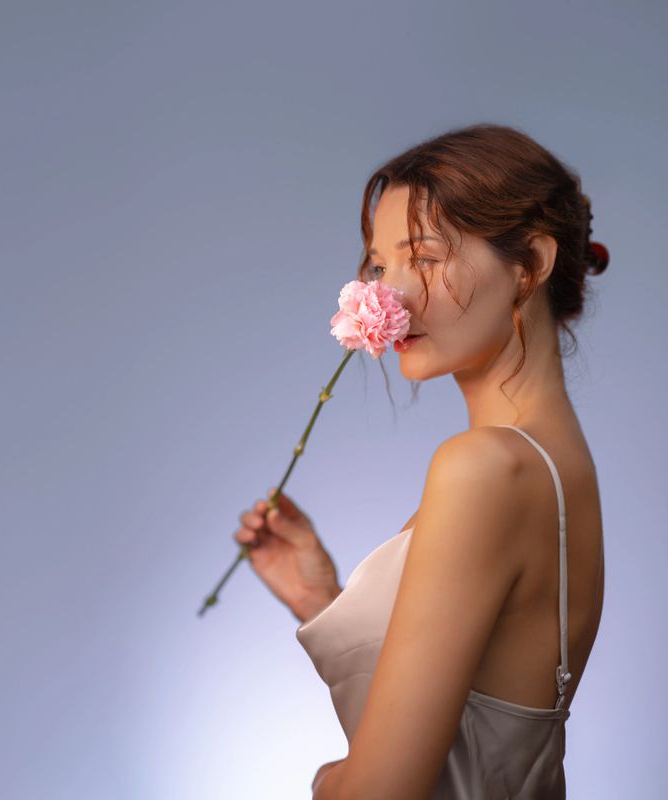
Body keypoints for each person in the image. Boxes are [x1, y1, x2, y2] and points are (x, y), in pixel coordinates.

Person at [233, 122, 608, 799]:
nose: (391, 298)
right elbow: (475, 745)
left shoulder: (487, 467)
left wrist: (325, 782)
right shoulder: (555, 465)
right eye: (379, 266)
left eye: (426, 257)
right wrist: (322, 599)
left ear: (531, 264)